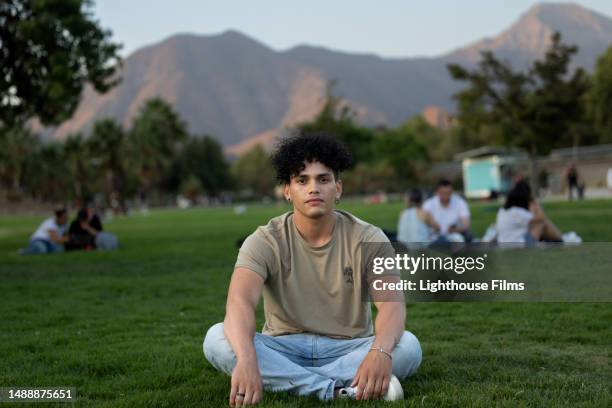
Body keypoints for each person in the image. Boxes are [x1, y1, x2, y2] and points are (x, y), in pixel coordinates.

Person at [203, 133, 421, 405]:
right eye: (302, 180)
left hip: (349, 347)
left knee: (408, 346)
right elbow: (239, 303)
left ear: (338, 189)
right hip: (284, 346)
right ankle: (339, 388)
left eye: (323, 179)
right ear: (287, 191)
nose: (313, 188)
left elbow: (391, 305)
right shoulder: (264, 239)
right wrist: (247, 359)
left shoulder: (370, 237)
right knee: (216, 339)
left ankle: (289, 380)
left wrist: (378, 352)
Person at [496, 181, 562, 244]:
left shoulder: (502, 210)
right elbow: (541, 217)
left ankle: (556, 239)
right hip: (519, 246)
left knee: (534, 223)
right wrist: (535, 203)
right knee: (540, 222)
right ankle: (559, 240)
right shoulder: (517, 212)